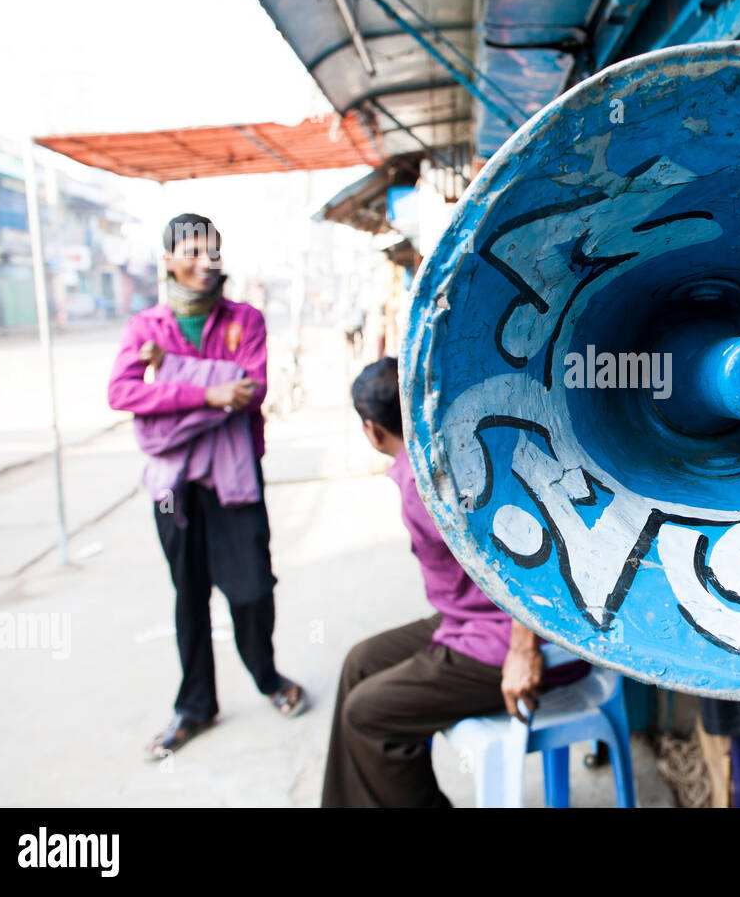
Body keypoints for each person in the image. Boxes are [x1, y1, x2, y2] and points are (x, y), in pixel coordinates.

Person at [321, 357, 587, 807]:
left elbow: (532, 544)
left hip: (514, 636)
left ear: (372, 430)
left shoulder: (429, 476)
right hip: (471, 618)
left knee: (368, 714)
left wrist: (523, 648)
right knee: (359, 663)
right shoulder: (441, 443)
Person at [107, 213, 307, 760]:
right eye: (190, 251)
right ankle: (194, 705)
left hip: (234, 481)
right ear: (167, 260)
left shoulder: (247, 320)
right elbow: (122, 396)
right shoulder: (145, 326)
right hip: (172, 487)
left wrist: (171, 375)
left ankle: (266, 677)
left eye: (211, 250)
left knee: (253, 590)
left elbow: (251, 391)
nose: (203, 262)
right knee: (189, 594)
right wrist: (209, 395)